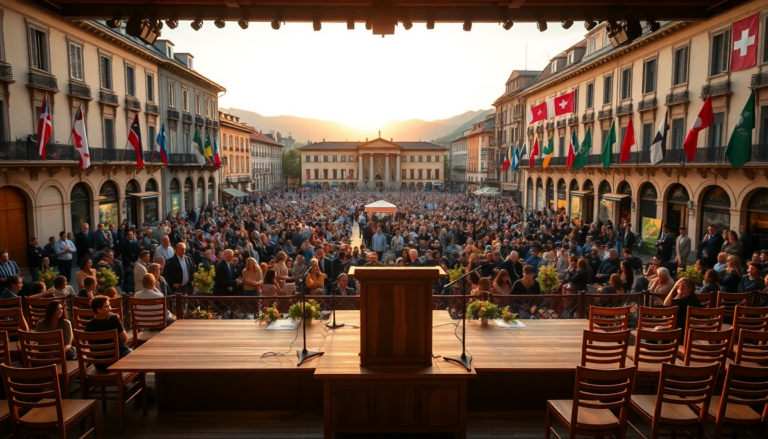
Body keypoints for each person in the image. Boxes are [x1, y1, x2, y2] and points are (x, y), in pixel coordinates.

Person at [84, 295, 132, 371]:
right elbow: (124, 339)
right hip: (118, 362)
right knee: (135, 354)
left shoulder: (88, 326)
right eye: (107, 306)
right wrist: (118, 321)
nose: (110, 308)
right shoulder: (114, 320)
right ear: (99, 310)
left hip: (100, 365)